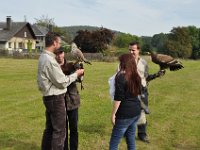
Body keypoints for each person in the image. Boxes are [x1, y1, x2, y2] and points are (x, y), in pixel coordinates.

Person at [37, 32, 84, 150]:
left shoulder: (43, 56)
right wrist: (76, 74)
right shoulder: (50, 60)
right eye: (59, 43)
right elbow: (62, 82)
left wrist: (78, 73)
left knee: (51, 129)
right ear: (54, 42)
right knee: (59, 132)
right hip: (55, 99)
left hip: (50, 97)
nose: (60, 46)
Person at [128, 41, 165, 143]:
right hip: (129, 91)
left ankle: (142, 135)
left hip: (142, 91)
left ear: (138, 50)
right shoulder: (124, 62)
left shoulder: (144, 63)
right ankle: (126, 132)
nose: (131, 52)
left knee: (141, 113)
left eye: (133, 50)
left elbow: (146, 77)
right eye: (129, 50)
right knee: (127, 113)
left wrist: (157, 75)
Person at [109, 53, 142, 150]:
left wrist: (113, 114)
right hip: (136, 111)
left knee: (114, 142)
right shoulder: (136, 76)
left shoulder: (120, 77)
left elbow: (118, 98)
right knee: (131, 139)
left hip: (124, 114)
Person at [55, 47, 81, 150]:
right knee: (63, 130)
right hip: (59, 102)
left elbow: (80, 79)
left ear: (63, 53)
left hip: (73, 101)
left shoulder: (72, 65)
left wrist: (80, 73)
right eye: (56, 54)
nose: (59, 55)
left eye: (60, 53)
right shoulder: (53, 68)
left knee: (74, 129)